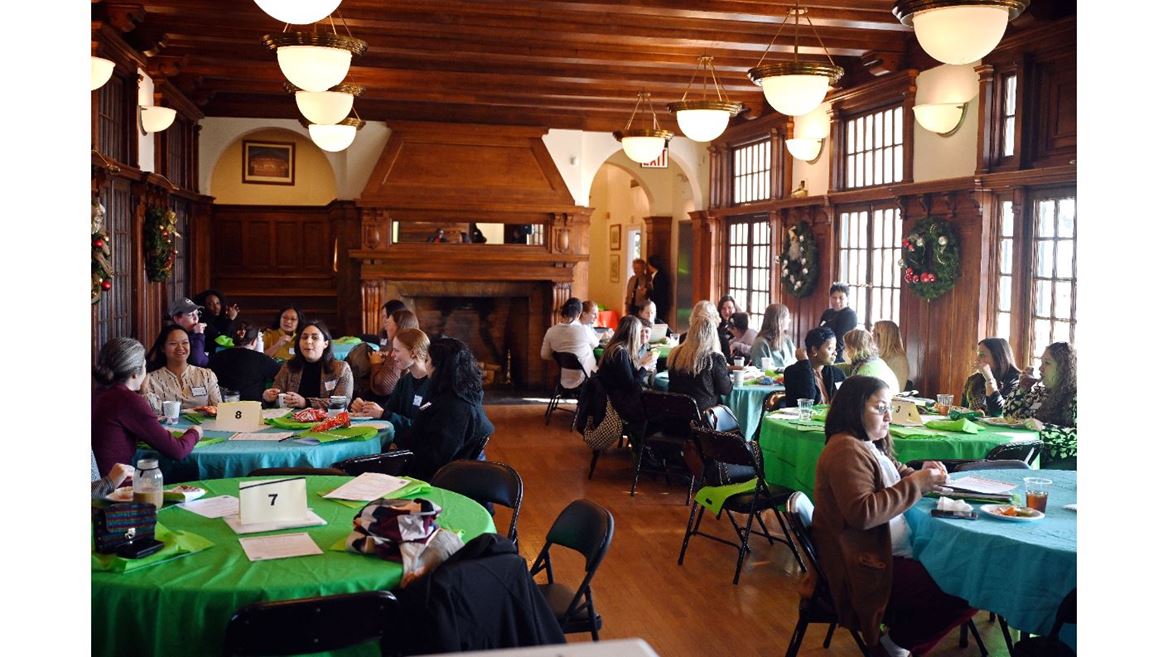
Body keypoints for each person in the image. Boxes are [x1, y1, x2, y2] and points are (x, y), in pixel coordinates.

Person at [813, 376, 975, 657]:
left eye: (890, 408)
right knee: (966, 587)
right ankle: (894, 647)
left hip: (882, 553)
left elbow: (897, 473)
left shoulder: (867, 444)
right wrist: (919, 484)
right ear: (853, 409)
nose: (889, 416)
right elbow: (862, 514)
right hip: (864, 566)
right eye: (880, 408)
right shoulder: (845, 449)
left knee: (965, 572)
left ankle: (898, 644)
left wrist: (923, 474)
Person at [92, 337, 201, 474]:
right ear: (134, 374)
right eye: (144, 366)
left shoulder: (98, 393)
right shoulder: (128, 400)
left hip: (98, 484)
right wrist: (195, 432)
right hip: (118, 489)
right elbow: (177, 451)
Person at [396, 337, 494, 480]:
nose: (425, 365)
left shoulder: (454, 409)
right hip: (447, 471)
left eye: (428, 360)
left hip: (442, 481)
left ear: (440, 368)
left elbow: (434, 460)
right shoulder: (459, 394)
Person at [1002, 342, 1077, 468]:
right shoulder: (1041, 393)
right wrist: (1022, 388)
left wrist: (1044, 428)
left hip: (1064, 464)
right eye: (1041, 362)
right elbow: (1009, 415)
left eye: (1047, 363)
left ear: (1064, 369)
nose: (1040, 368)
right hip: (1034, 458)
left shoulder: (1076, 396)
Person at [352, 328, 431, 444]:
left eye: (396, 350)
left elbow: (423, 428)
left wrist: (382, 413)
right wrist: (366, 409)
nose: (392, 355)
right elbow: (389, 412)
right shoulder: (403, 382)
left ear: (413, 353)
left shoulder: (434, 385)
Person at [263, 320, 354, 409]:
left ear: (325, 344)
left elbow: (342, 402)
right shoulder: (289, 366)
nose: (308, 341)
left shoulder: (341, 368)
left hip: (327, 422)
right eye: (304, 337)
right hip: (291, 421)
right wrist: (268, 398)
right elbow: (276, 397)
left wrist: (305, 402)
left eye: (315, 338)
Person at [597, 315, 655, 445]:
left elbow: (628, 379)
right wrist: (644, 367)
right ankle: (644, 451)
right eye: (639, 331)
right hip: (618, 406)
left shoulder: (615, 349)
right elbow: (632, 387)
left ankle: (642, 449)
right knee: (658, 412)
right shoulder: (620, 353)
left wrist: (641, 365)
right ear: (632, 333)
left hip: (613, 399)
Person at [141, 324, 223, 412]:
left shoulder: (206, 375)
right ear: (162, 348)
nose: (180, 348)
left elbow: (220, 411)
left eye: (185, 343)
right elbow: (152, 414)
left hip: (204, 425)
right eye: (173, 344)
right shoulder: (151, 380)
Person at [667, 313, 731, 413]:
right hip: (704, 418)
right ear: (713, 335)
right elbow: (726, 389)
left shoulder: (675, 354)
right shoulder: (714, 358)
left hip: (675, 413)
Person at [208, 322, 281, 402]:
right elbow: (281, 374)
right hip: (253, 407)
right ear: (254, 341)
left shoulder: (217, 357)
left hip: (221, 406)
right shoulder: (262, 359)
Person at [540, 297, 598, 390]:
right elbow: (596, 344)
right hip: (585, 377)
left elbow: (544, 355)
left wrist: (560, 357)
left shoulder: (550, 331)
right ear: (579, 314)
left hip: (564, 377)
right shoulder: (584, 330)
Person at [782, 327, 847, 407]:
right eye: (830, 348)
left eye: (835, 348)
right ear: (814, 350)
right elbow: (808, 399)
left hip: (832, 418)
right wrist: (805, 364)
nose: (835, 353)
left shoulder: (837, 373)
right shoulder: (793, 372)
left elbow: (845, 402)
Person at [960, 337, 1021, 416]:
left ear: (998, 358)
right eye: (978, 354)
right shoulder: (973, 380)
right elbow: (962, 411)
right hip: (974, 427)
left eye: (982, 355)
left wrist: (989, 379)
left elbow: (1000, 413)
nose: (977, 359)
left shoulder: (1016, 381)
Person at [371, 309, 420, 398]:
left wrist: (375, 364)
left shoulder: (401, 351)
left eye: (388, 323)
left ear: (399, 327)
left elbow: (384, 386)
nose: (385, 327)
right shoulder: (409, 346)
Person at [843, 328, 900, 393]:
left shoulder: (865, 371)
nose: (844, 350)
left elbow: (857, 398)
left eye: (846, 347)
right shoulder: (876, 361)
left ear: (853, 348)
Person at [819, 283, 858, 363]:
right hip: (823, 352)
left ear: (847, 298)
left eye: (841, 298)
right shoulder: (827, 312)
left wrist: (827, 355)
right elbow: (818, 333)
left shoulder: (850, 315)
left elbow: (841, 341)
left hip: (839, 357)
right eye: (834, 297)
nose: (837, 301)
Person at [750, 303, 797, 371]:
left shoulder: (787, 340)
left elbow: (795, 362)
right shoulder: (760, 343)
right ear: (780, 320)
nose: (789, 320)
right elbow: (759, 370)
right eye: (787, 317)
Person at [167, 297, 211, 366]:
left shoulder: (192, 334)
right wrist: (199, 335)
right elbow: (196, 361)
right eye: (190, 314)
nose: (196, 318)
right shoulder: (173, 339)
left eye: (197, 313)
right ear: (177, 319)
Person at [872, 321, 910, 391]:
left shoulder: (899, 360)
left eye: (874, 333)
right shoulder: (879, 355)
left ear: (883, 336)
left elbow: (895, 390)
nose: (872, 336)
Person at [647, 254, 672, 325]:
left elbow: (658, 293)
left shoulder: (660, 276)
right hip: (660, 304)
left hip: (659, 305)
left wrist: (647, 292)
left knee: (658, 323)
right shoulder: (658, 275)